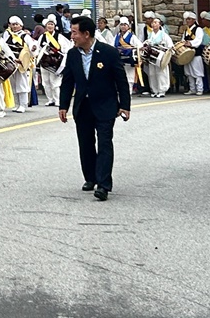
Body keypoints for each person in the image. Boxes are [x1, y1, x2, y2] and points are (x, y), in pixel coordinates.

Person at [57, 14, 132, 201]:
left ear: (87, 34)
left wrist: (125, 105)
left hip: (105, 106)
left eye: (74, 33)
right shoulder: (72, 54)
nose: (72, 36)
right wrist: (63, 105)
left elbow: (121, 81)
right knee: (86, 143)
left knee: (105, 143)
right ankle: (90, 177)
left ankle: (104, 184)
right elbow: (67, 81)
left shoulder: (108, 52)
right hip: (83, 106)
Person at [35, 15, 67, 108]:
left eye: (51, 24)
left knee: (55, 82)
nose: (50, 26)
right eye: (48, 24)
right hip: (44, 62)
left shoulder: (59, 36)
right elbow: (38, 47)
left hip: (55, 62)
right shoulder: (42, 36)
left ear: (54, 26)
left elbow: (64, 48)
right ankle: (50, 99)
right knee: (46, 81)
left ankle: (57, 100)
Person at [2, 16, 33, 113]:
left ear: (21, 25)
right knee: (13, 84)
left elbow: (31, 48)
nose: (15, 26)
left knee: (21, 83)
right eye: (13, 25)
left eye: (17, 24)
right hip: (12, 62)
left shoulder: (25, 36)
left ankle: (23, 104)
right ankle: (16, 103)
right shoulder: (7, 35)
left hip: (22, 63)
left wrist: (32, 51)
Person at [143, 16, 173, 98]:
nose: (154, 24)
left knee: (161, 73)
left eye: (156, 22)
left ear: (160, 25)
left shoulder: (164, 35)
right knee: (152, 73)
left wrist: (166, 52)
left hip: (160, 56)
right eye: (153, 22)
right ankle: (155, 90)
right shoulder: (150, 35)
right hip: (152, 56)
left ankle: (162, 90)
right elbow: (146, 42)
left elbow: (170, 45)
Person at [113, 16, 140, 91]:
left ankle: (129, 91)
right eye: (121, 25)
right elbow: (112, 46)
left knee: (129, 77)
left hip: (129, 59)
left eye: (125, 25)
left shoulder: (132, 36)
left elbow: (139, 46)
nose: (123, 27)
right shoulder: (116, 36)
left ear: (128, 26)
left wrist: (128, 49)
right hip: (119, 60)